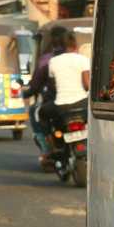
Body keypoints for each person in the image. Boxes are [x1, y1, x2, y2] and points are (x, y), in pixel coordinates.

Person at [23, 25, 67, 169]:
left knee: (35, 113)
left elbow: (35, 84)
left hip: (55, 103)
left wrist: (27, 92)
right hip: (81, 102)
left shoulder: (48, 60)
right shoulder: (79, 57)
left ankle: (47, 150)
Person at [40, 29, 91, 130]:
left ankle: (51, 142)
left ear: (62, 47)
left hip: (61, 107)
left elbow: (52, 86)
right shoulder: (83, 59)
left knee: (41, 113)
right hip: (82, 104)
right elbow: (86, 85)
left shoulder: (53, 61)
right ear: (76, 45)